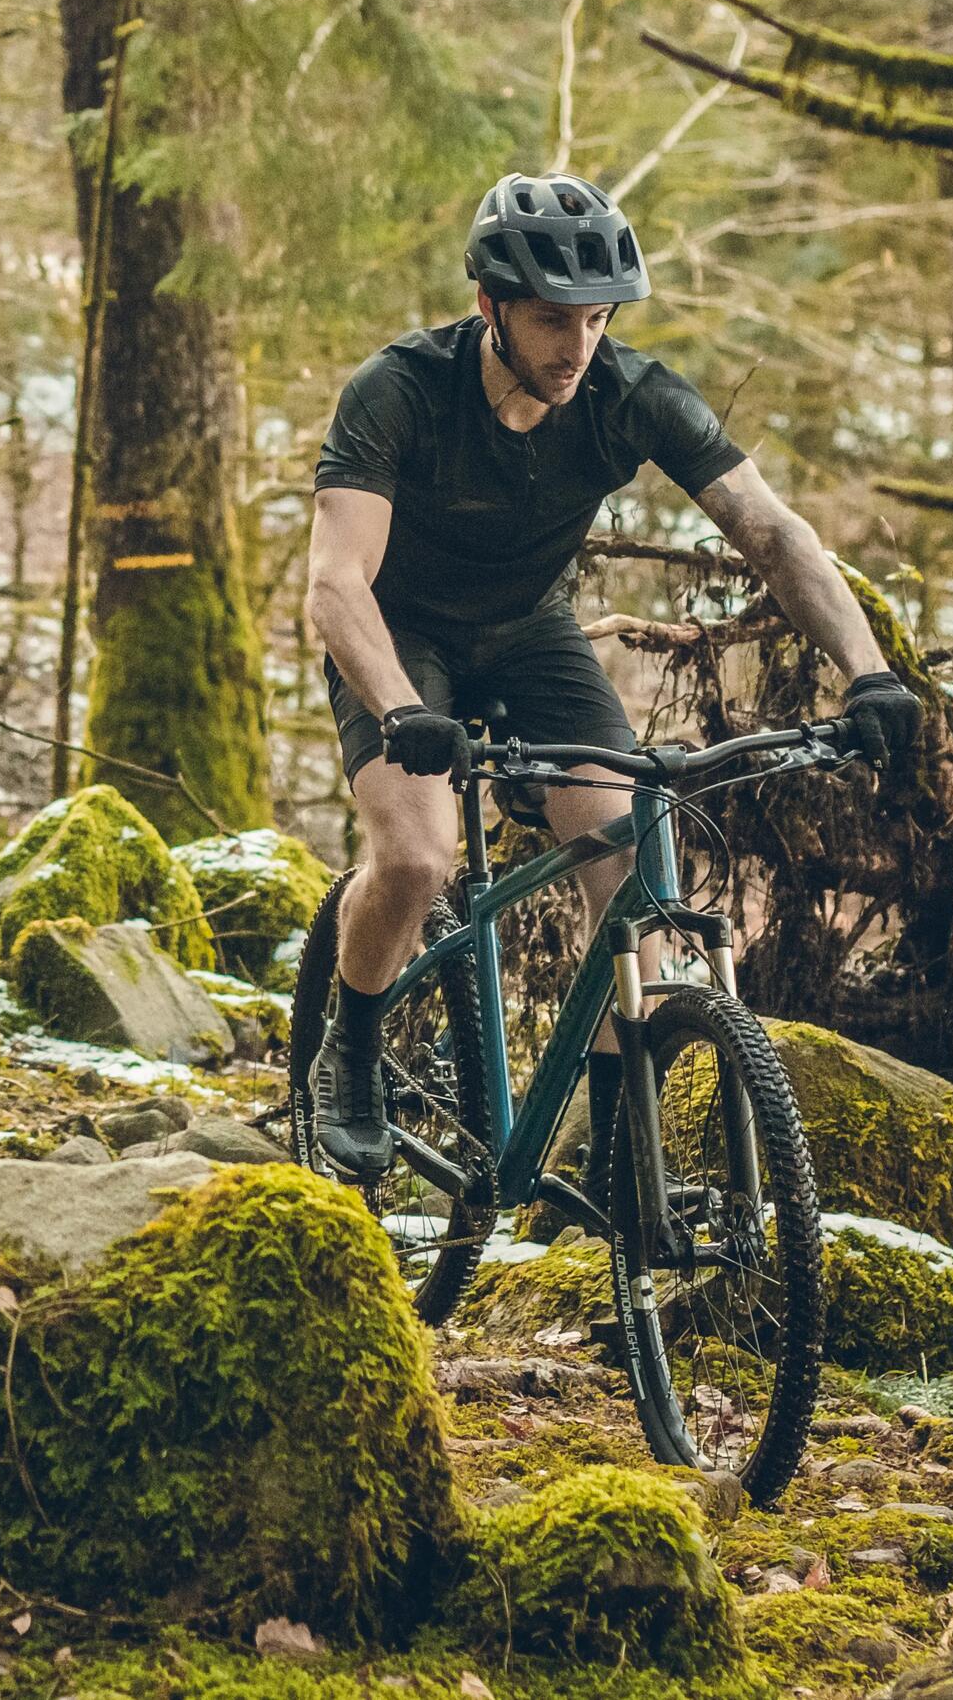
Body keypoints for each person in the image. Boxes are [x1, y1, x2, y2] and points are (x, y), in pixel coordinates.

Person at [303, 170, 921, 1177]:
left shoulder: (628, 394)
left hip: (530, 632)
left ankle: (611, 1162)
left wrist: (867, 671)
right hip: (398, 632)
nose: (575, 347)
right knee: (416, 858)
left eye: (596, 320)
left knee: (631, 848)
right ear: (489, 305)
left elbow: (771, 531)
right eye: (552, 319)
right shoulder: (401, 391)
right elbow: (335, 584)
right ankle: (355, 1040)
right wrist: (405, 707)